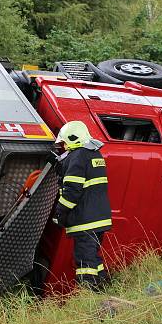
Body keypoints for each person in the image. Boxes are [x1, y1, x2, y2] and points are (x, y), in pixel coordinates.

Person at [52, 120, 112, 291]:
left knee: (85, 260)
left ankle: (89, 295)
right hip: (98, 218)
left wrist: (60, 212)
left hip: (85, 220)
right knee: (93, 258)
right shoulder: (94, 154)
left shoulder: (78, 156)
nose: (63, 147)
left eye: (64, 142)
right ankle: (102, 288)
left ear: (72, 139)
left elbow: (72, 190)